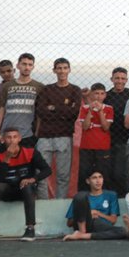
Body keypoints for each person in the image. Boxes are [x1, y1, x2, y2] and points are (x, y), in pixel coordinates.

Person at [0, 127, 52, 242]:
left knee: (27, 186)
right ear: (3, 140)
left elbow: (47, 170)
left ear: (19, 138)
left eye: (15, 137)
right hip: (7, 191)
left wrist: (33, 179)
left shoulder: (30, 152)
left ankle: (30, 229)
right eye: (9, 137)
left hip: (24, 191)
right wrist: (7, 157)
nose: (12, 140)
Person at [34, 57, 81, 199]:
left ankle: (60, 205)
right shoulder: (47, 89)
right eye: (59, 68)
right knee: (41, 175)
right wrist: (64, 109)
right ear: (54, 70)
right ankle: (43, 205)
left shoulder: (74, 90)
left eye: (65, 68)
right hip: (44, 137)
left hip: (64, 136)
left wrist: (53, 108)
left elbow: (73, 113)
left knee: (63, 176)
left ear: (69, 70)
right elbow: (41, 111)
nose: (62, 71)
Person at [0, 53, 43, 149]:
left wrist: (37, 132)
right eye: (24, 64)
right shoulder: (7, 86)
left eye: (30, 64)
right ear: (18, 66)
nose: (27, 67)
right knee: (4, 162)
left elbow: (40, 112)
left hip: (26, 134)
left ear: (33, 67)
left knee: (25, 163)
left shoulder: (39, 87)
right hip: (6, 133)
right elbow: (2, 108)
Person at [62, 170, 127, 241]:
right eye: (94, 178)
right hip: (86, 225)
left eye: (100, 177)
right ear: (88, 181)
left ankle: (83, 236)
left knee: (122, 231)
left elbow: (113, 220)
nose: (98, 181)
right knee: (80, 196)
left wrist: (98, 213)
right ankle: (82, 232)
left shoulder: (111, 195)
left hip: (102, 226)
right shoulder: (82, 197)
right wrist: (87, 215)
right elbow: (69, 223)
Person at [103, 67, 129, 194]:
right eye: (117, 78)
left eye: (123, 78)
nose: (120, 81)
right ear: (111, 79)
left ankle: (125, 197)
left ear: (127, 80)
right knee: (112, 172)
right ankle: (114, 196)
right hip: (111, 139)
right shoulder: (107, 96)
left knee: (126, 172)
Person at [77, 83, 114, 189]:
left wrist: (101, 111)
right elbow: (85, 127)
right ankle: (83, 196)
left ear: (105, 95)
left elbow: (106, 127)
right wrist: (90, 111)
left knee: (104, 172)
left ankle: (104, 194)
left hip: (102, 146)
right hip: (86, 146)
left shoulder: (108, 108)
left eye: (102, 93)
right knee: (84, 172)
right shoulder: (84, 108)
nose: (99, 96)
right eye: (96, 93)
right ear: (91, 95)